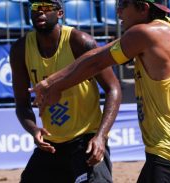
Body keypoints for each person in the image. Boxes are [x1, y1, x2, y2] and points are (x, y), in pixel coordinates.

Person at [30, 0, 170, 182]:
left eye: (124, 4)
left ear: (144, 8)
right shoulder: (168, 26)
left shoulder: (144, 33)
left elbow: (96, 63)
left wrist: (55, 85)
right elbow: (95, 54)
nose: (118, 10)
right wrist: (52, 82)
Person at [9, 0, 122, 182]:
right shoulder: (20, 49)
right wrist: (33, 130)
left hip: (85, 139)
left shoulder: (79, 41)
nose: (40, 12)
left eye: (46, 8)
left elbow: (113, 88)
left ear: (60, 13)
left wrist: (101, 136)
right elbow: (22, 104)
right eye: (36, 8)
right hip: (51, 144)